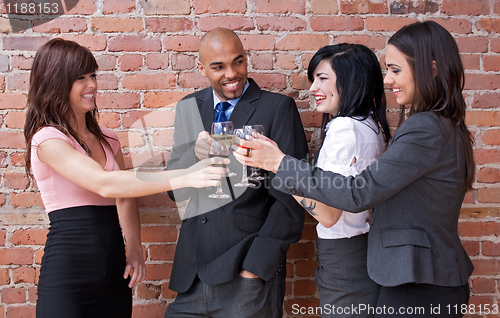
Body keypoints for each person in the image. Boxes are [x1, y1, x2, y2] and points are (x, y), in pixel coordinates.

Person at [235, 21, 474, 317]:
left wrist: (278, 163)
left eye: (396, 70)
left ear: (432, 69)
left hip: (422, 283)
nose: (388, 80)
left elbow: (357, 193)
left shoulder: (425, 127)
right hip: (418, 277)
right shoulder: (439, 124)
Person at [24, 38, 228, 318]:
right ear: (57, 82)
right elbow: (105, 184)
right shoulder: (47, 139)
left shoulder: (108, 139)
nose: (92, 85)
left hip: (112, 264)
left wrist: (133, 247)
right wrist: (186, 176)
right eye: (80, 78)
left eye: (93, 75)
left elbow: (124, 194)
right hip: (68, 270)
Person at [164, 28, 308, 318]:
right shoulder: (189, 107)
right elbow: (174, 190)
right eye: (218, 67)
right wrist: (194, 153)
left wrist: (255, 268)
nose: (232, 73)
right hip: (191, 276)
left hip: (246, 276)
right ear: (202, 68)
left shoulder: (277, 107)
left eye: (238, 62)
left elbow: (293, 197)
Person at [293, 43, 390, 317]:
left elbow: (328, 214)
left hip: (343, 255)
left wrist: (278, 172)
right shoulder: (371, 124)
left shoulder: (344, 128)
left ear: (351, 80)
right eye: (314, 79)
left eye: (322, 78)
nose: (313, 88)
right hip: (363, 248)